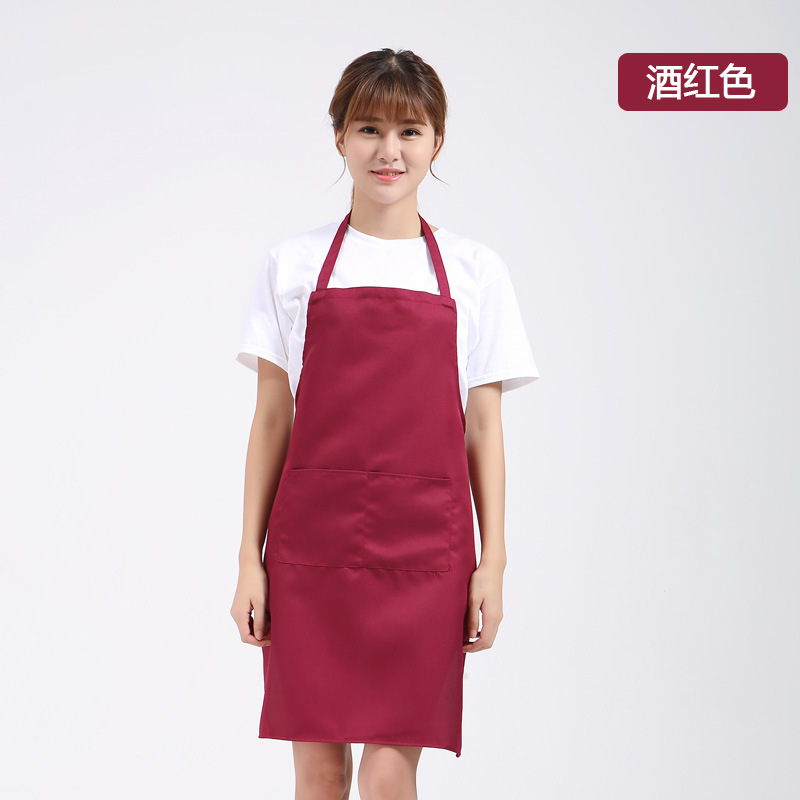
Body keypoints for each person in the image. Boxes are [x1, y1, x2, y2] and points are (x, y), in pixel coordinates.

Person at [231, 48, 541, 800]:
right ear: (339, 136)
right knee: (317, 774)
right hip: (313, 549)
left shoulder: (474, 270)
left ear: (437, 141)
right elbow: (272, 419)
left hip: (425, 552)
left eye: (410, 131)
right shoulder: (292, 264)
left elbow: (484, 428)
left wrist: (493, 562)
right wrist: (249, 559)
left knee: (389, 775)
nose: (389, 150)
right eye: (369, 128)